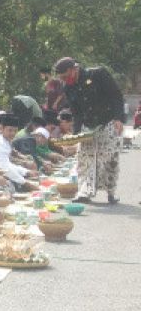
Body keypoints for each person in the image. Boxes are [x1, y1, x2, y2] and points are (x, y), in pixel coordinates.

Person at [55, 57, 126, 204]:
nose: (65, 80)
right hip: (88, 125)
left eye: (66, 76)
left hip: (108, 121)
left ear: (74, 69)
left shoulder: (98, 74)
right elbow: (77, 112)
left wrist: (119, 118)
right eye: (62, 78)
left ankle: (110, 192)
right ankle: (84, 192)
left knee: (108, 158)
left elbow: (116, 95)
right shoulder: (68, 88)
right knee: (84, 158)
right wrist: (75, 135)